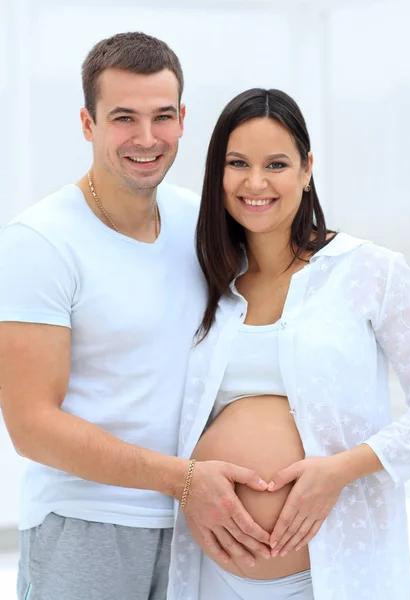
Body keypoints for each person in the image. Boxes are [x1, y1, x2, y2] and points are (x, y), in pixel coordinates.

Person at [0, 34, 274, 600]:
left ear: (182, 119)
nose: (147, 139)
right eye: (124, 117)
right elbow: (30, 427)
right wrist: (184, 480)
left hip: (197, 526)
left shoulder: (199, 222)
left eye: (162, 117)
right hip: (86, 526)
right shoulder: (40, 242)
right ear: (87, 123)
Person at [167, 88, 410, 600]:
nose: (256, 182)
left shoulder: (370, 271)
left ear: (307, 169)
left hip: (336, 570)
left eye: (277, 163)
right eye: (237, 163)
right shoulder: (204, 280)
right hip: (209, 573)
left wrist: (338, 471)